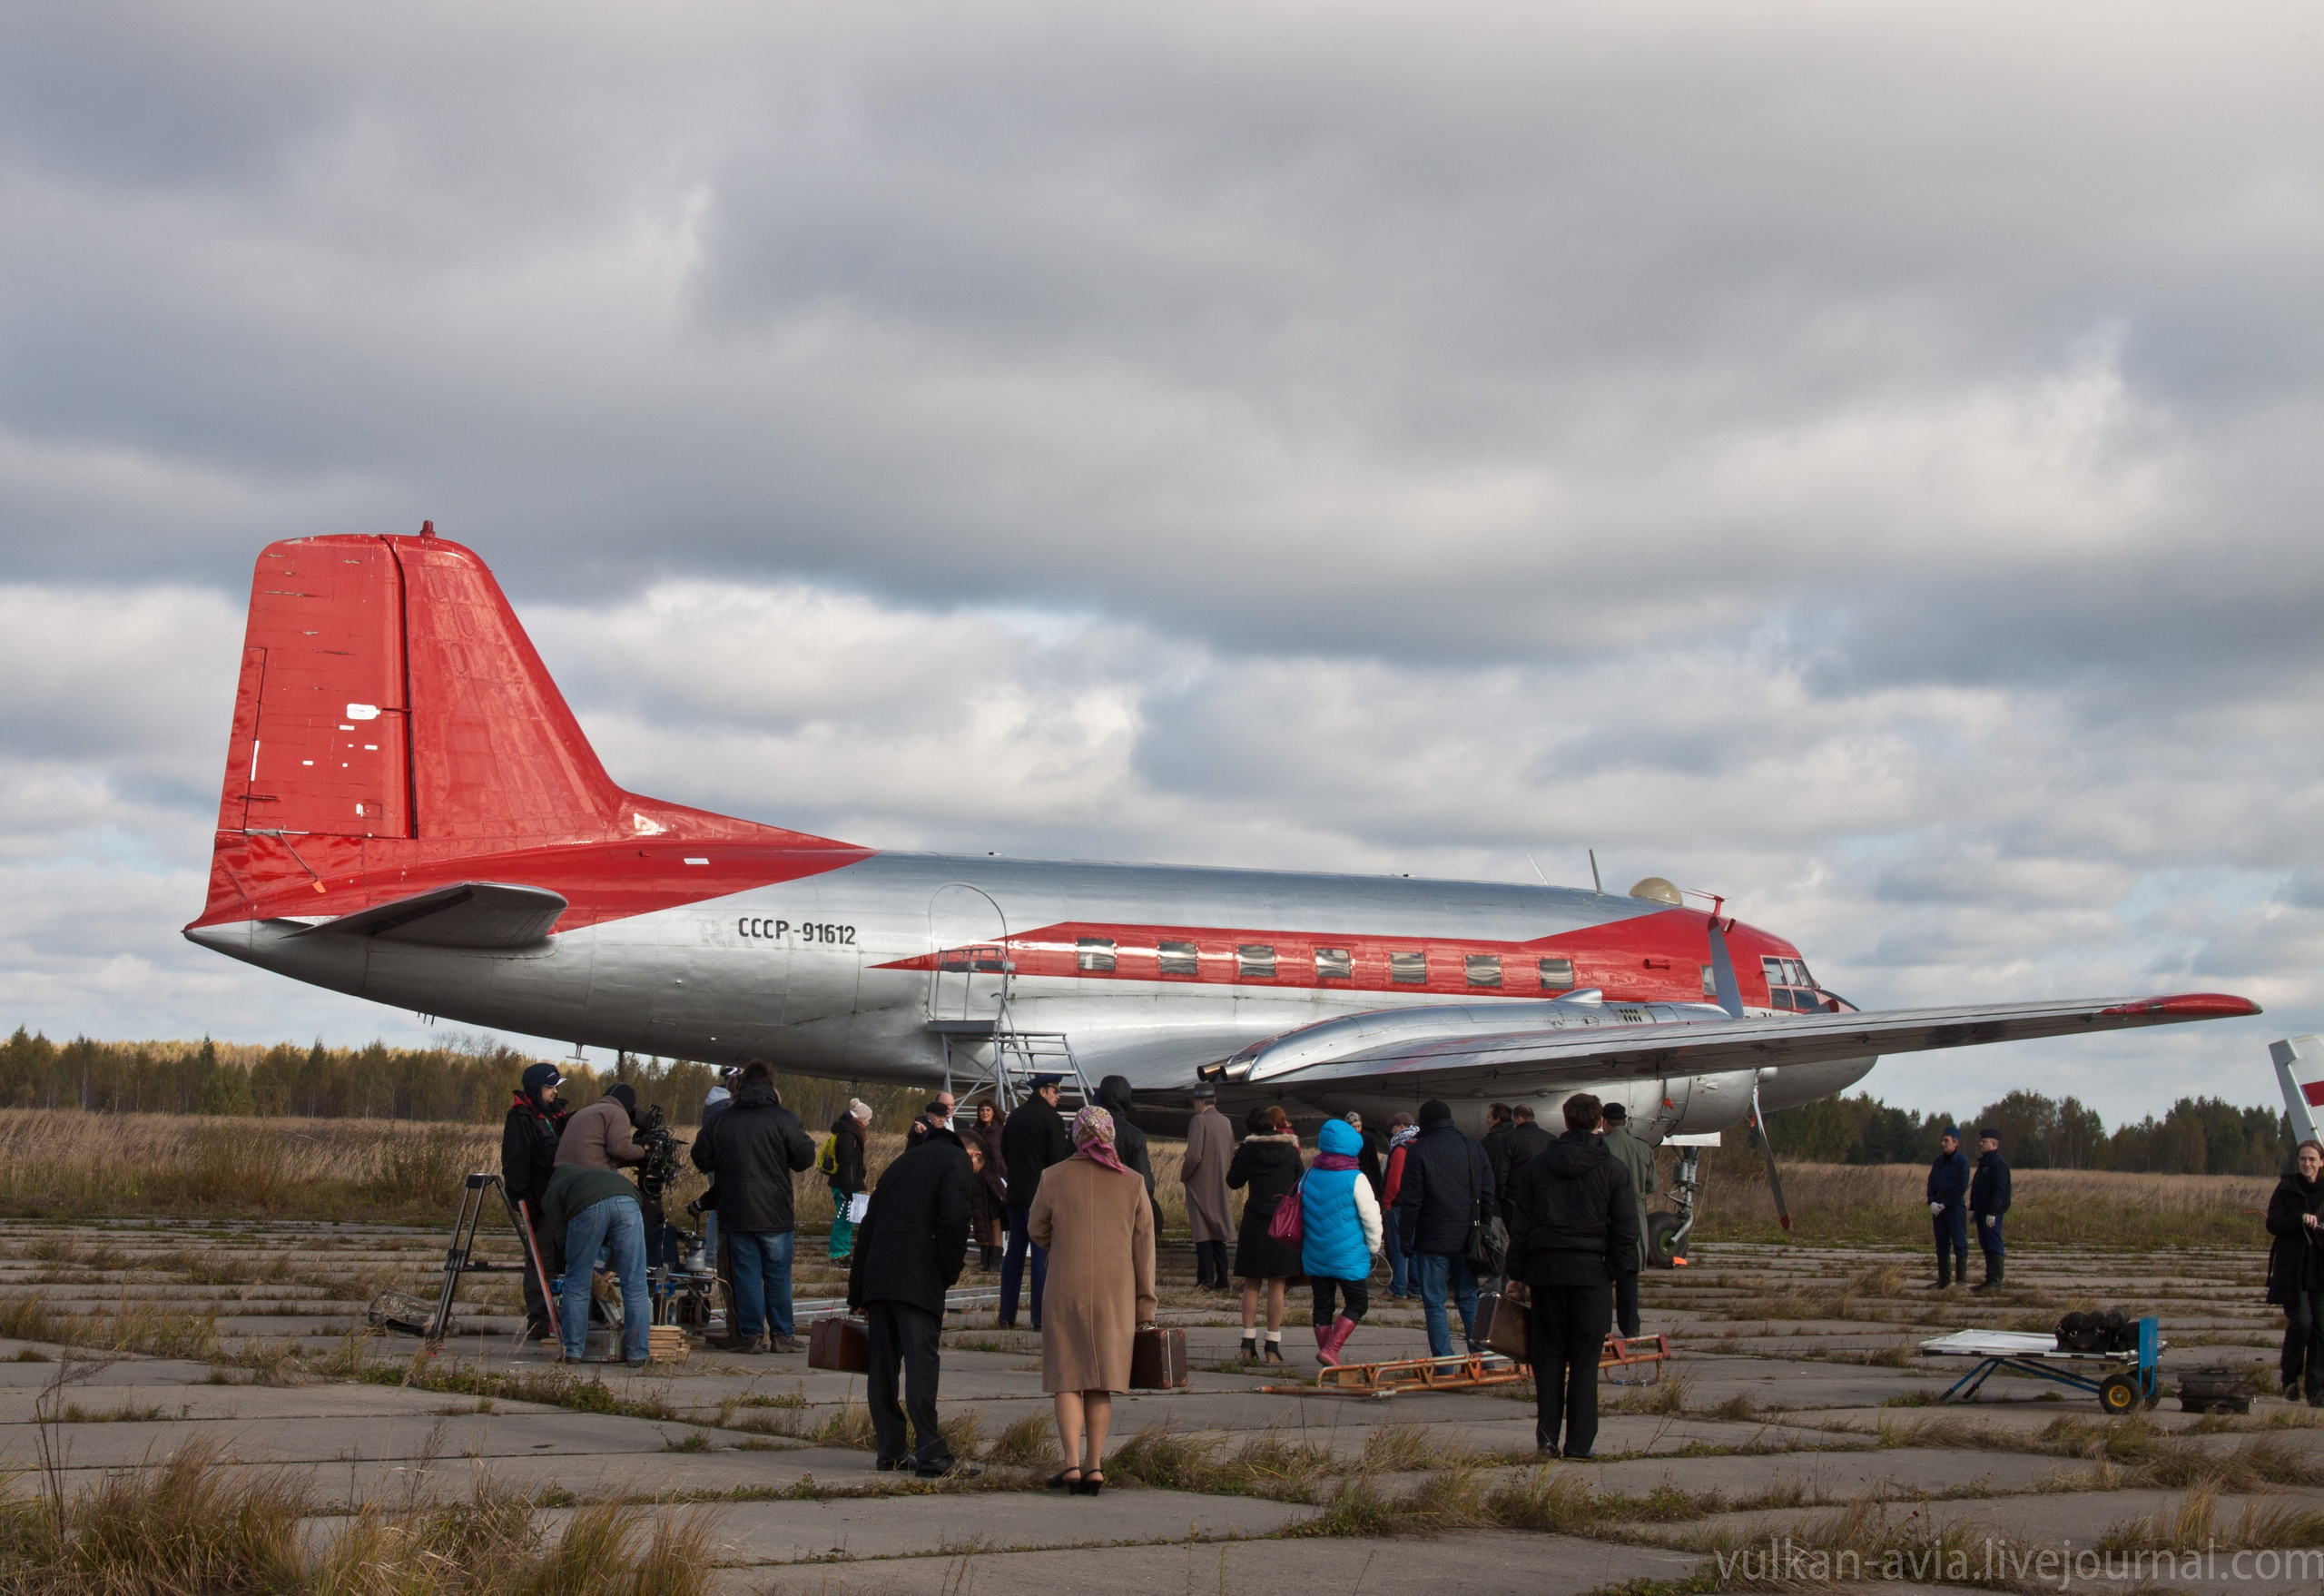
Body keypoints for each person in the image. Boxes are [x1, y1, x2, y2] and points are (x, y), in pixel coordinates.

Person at [1029, 1106, 1157, 1495]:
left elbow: (1036, 1228)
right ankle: (1095, 1466)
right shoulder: (1133, 1182)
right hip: (1115, 1291)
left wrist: (1064, 1245)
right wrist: (1145, 1303)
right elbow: (1144, 1247)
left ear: (1076, 1135)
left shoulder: (1052, 1177)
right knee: (1102, 1380)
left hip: (1065, 1285)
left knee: (1066, 1377)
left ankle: (1069, 1464)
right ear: (1110, 1135)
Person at [1506, 1092, 1638, 1459]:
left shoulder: (1537, 1167)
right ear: (1599, 1123)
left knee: (1546, 1357)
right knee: (1584, 1360)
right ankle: (1579, 1445)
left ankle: (1546, 1439)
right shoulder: (1613, 1169)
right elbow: (1626, 1231)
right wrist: (1610, 1271)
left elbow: (1522, 1226)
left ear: (1565, 1121)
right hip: (1590, 1274)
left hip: (1546, 1273)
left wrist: (1516, 1274)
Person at [849, 1110, 978, 1477]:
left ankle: (890, 1450)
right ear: (972, 1152)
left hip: (879, 1278)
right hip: (918, 1280)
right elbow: (954, 1222)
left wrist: (857, 1290)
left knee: (883, 1369)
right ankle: (932, 1453)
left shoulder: (900, 1163)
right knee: (922, 1366)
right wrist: (947, 1273)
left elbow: (868, 1227)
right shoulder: (957, 1161)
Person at [689, 1060, 817, 1353]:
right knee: (778, 1276)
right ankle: (782, 1335)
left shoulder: (721, 1120)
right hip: (776, 1211)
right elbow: (804, 1160)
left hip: (737, 1211)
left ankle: (750, 1336)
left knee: (746, 1275)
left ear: (741, 1085)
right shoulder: (783, 1118)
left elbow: (701, 1159)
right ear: (771, 1086)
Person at [1394, 1098, 1495, 1358]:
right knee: (1469, 1297)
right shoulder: (1472, 1146)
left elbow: (1411, 1199)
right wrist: (1482, 1226)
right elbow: (1487, 1191)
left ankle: (1445, 1362)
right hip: (1467, 1238)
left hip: (1431, 1239)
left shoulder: (1419, 1150)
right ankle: (1481, 1359)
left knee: (1435, 1303)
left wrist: (1405, 1235)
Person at [539, 1157, 649, 1365]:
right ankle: (639, 1354)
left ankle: (572, 1351)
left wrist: (582, 1265)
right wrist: (614, 1267)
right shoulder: (600, 1176)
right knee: (635, 1283)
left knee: (576, 1283)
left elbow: (563, 1238)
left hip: (589, 1209)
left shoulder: (554, 1191)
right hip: (629, 1202)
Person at [1302, 1118, 1384, 1366]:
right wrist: (1374, 1245)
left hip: (1315, 1253)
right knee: (1358, 1302)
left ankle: (1327, 1350)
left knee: (1323, 1304)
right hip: (1348, 1255)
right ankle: (1332, 1349)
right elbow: (1371, 1218)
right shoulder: (1356, 1178)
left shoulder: (1308, 1175)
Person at [1228, 1106, 1305, 1363]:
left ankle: (1247, 1343)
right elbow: (1299, 1182)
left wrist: (1240, 1154)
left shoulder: (1249, 1151)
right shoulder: (1291, 1151)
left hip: (1255, 1220)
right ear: (1274, 1126)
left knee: (1252, 1282)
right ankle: (1272, 1345)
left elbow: (1233, 1181)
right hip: (1282, 1221)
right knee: (1277, 1283)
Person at [500, 1061, 568, 1344]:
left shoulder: (558, 1117)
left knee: (564, 1260)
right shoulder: (520, 1119)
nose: (553, 1092)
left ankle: (564, 1317)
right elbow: (514, 1166)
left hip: (561, 1203)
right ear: (535, 1088)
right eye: (549, 1087)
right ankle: (539, 1321)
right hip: (538, 1206)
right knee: (541, 1262)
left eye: (555, 1087)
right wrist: (526, 1205)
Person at [1000, 1075, 1072, 1328]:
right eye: (1055, 1091)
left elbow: (1005, 1150)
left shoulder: (1015, 1116)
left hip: (1016, 1193)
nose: (1058, 1096)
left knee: (1014, 1255)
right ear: (1043, 1091)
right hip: (1040, 1196)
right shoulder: (1052, 1119)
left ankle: (1006, 1315)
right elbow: (1057, 1160)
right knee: (1041, 1254)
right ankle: (1039, 1318)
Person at [2266, 1139, 2324, 1402]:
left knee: (2321, 1329)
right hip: (2294, 1272)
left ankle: (2316, 1390)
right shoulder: (2286, 1188)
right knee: (2302, 1323)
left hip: (2321, 1271)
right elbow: (2274, 1223)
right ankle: (2289, 1379)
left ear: (2321, 1162)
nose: (2307, 1164)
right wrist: (2299, 1218)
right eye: (2303, 1159)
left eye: (2312, 1159)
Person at [1598, 1101, 1655, 1336]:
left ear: (1604, 1121)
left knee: (1601, 1275)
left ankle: (1600, 1326)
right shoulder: (1643, 1148)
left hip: (1605, 1215)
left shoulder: (1601, 1146)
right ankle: (1630, 1327)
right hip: (1636, 1215)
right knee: (1629, 1274)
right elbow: (1652, 1185)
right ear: (1625, 1120)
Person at [1182, 1085, 1235, 1291]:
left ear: (1200, 1102)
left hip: (1199, 1184)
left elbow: (1194, 1154)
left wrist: (1185, 1174)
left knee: (1202, 1233)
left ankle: (1205, 1280)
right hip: (1221, 1181)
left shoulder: (1198, 1121)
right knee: (1218, 1232)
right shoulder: (1226, 1121)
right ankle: (1223, 1279)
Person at [1095, 1075, 1162, 1232]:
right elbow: (1146, 1184)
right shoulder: (1134, 1134)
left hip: (1088, 1212)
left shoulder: (1082, 1132)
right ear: (1126, 1100)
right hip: (1123, 1215)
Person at [556, 1081, 646, 1171]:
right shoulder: (617, 1112)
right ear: (629, 1104)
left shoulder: (583, 1111)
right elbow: (620, 1149)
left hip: (560, 1176)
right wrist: (643, 1149)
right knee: (626, 1186)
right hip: (590, 1175)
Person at [827, 1098, 871, 1265]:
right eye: (867, 1119)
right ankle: (837, 1255)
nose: (867, 1123)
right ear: (860, 1118)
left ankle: (843, 1253)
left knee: (848, 1220)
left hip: (846, 1183)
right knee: (844, 1220)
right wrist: (847, 1188)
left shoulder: (848, 1131)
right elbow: (845, 1162)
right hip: (845, 1185)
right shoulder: (848, 1134)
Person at [1969, 1128, 2013, 1293]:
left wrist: (1993, 1213)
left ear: (1994, 1144)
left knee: (1994, 1243)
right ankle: (1989, 1280)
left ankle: (1995, 1281)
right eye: (1981, 1141)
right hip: (1981, 1211)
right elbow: (1978, 1188)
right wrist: (1974, 1209)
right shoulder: (1985, 1163)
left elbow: (1999, 1191)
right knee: (1985, 1244)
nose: (1981, 1144)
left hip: (1991, 1213)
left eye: (1984, 1141)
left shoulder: (1997, 1164)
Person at [1925, 1126, 1970, 1290]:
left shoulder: (1962, 1161)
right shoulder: (1938, 1161)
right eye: (1942, 1140)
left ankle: (1961, 1282)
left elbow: (1961, 1187)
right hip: (1938, 1205)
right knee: (1942, 1244)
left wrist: (1946, 1204)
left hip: (1954, 1207)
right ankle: (1943, 1280)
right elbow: (1930, 1183)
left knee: (1959, 1243)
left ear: (1955, 1143)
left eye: (1947, 1141)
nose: (1943, 1144)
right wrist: (1932, 1202)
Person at [1382, 1112, 1417, 1299]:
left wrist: (1387, 1202)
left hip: (1398, 1205)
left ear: (1402, 1126)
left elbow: (1394, 1180)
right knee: (1414, 1247)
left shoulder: (1400, 1149)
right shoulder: (1418, 1145)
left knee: (1399, 1247)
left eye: (1393, 1127)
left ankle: (1398, 1288)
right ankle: (1416, 1287)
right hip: (1414, 1204)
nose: (1392, 1131)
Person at [970, 1101, 1009, 1269]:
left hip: (995, 1180)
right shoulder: (974, 1132)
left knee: (994, 1218)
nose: (984, 1113)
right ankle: (984, 1259)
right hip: (978, 1180)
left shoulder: (1000, 1131)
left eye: (988, 1110)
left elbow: (1003, 1154)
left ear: (994, 1113)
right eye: (981, 1110)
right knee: (980, 1219)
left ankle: (995, 1260)